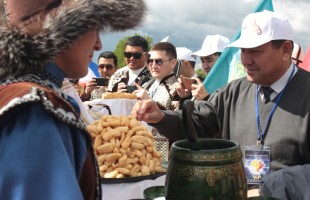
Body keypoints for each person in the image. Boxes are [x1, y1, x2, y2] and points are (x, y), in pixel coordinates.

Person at [132, 10, 310, 198]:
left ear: (286, 50)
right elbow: (197, 121)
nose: (246, 60)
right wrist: (161, 117)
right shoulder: (233, 92)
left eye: (255, 51)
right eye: (243, 50)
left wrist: (272, 187)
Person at [0, 0, 146, 200]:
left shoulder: (25, 93)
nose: (98, 44)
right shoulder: (37, 112)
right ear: (62, 27)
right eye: (93, 28)